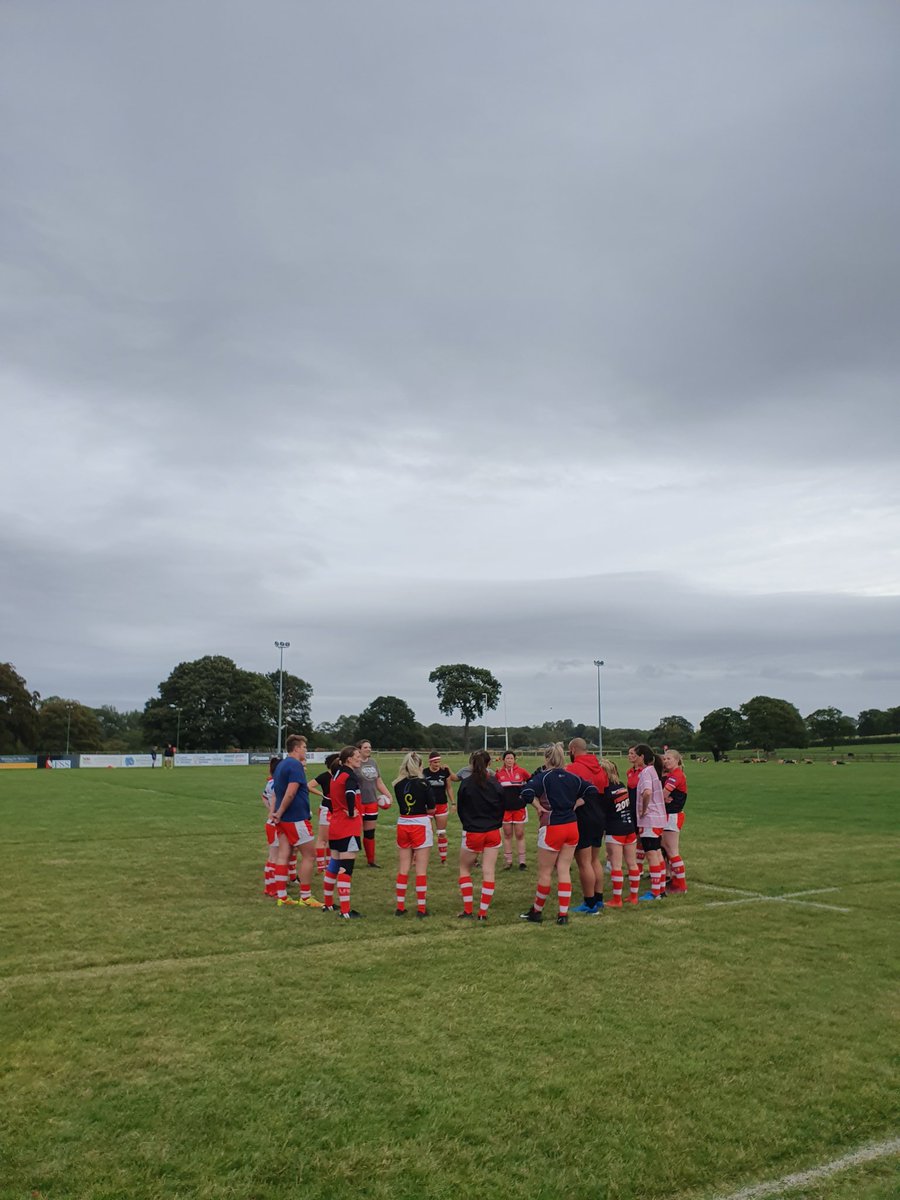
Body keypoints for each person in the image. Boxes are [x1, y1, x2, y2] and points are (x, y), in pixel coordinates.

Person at [519, 743, 600, 925]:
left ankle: (536, 911)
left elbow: (525, 792)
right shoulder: (573, 777)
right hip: (572, 826)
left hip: (552, 826)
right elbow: (591, 790)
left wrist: (538, 806)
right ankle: (563, 915)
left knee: (545, 872)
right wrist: (577, 803)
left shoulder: (544, 777)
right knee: (564, 870)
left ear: (547, 759)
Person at [268, 735, 323, 909]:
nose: (306, 750)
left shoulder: (281, 765)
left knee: (283, 855)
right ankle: (306, 897)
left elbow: (278, 791)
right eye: (305, 747)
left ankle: (282, 896)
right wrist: (281, 811)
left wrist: (277, 813)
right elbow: (290, 793)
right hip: (296, 818)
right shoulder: (295, 765)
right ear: (297, 748)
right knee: (309, 855)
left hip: (284, 820)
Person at [455, 749, 506, 921]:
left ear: (471, 764)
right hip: (492, 832)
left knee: (464, 869)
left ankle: (468, 910)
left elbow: (461, 809)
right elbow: (502, 806)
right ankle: (483, 913)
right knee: (489, 871)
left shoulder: (466, 784)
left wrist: (468, 824)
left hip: (473, 832)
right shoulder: (495, 783)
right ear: (489, 764)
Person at [566, 738, 609, 914]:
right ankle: (598, 899)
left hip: (583, 817)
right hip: (599, 817)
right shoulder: (600, 768)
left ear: (573, 749)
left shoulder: (573, 769)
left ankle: (589, 903)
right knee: (594, 859)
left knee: (583, 862)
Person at [393, 752, 436, 917]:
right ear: (419, 765)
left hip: (403, 823)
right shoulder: (424, 783)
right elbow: (432, 807)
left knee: (403, 867)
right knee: (421, 869)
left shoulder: (397, 784)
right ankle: (421, 908)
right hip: (420, 824)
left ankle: (400, 906)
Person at [325, 745, 366, 918]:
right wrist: (351, 811)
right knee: (345, 868)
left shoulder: (336, 775)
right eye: (357, 755)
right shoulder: (350, 775)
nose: (360, 758)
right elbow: (350, 793)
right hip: (347, 827)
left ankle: (328, 904)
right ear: (349, 759)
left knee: (334, 864)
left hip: (335, 825)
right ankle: (345, 911)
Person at [597, 758, 640, 906]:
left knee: (616, 866)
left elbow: (602, 812)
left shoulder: (605, 790)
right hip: (629, 828)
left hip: (615, 830)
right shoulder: (621, 785)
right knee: (632, 864)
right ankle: (634, 897)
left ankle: (617, 899)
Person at [633, 743, 667, 901]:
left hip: (650, 819)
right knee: (658, 853)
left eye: (636, 755)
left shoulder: (646, 771)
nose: (634, 759)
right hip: (659, 819)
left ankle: (655, 892)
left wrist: (644, 809)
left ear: (642, 757)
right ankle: (661, 889)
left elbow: (647, 792)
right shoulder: (654, 770)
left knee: (651, 854)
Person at [356, 740, 392, 868]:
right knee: (354, 832)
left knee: (369, 832)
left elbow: (379, 782)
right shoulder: (355, 763)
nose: (368, 749)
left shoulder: (373, 763)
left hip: (372, 802)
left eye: (370, 747)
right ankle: (347, 859)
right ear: (359, 749)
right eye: (365, 747)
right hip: (358, 803)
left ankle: (371, 861)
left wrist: (388, 795)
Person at [495, 750, 531, 871]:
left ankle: (522, 862)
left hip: (519, 809)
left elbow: (531, 783)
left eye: (511, 758)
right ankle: (508, 861)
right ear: (503, 760)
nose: (509, 760)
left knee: (520, 834)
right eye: (507, 758)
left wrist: (524, 797)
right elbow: (496, 790)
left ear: (515, 760)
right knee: (507, 834)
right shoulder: (499, 773)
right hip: (505, 810)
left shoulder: (521, 772)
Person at [423, 751, 458, 865]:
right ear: (430, 762)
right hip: (428, 806)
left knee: (441, 832)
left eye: (438, 762)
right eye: (435, 762)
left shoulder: (444, 772)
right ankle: (418, 857)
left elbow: (449, 788)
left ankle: (443, 859)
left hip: (442, 805)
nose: (437, 764)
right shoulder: (424, 772)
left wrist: (453, 803)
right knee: (425, 832)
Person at [661, 749, 688, 893]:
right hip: (669, 814)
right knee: (667, 848)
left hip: (673, 815)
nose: (665, 761)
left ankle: (680, 885)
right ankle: (675, 881)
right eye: (664, 759)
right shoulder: (672, 775)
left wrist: (661, 796)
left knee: (672, 850)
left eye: (669, 759)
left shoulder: (676, 775)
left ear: (677, 760)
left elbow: (663, 794)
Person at [308, 753, 339, 874]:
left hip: (337, 810)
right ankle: (321, 866)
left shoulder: (341, 776)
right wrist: (321, 794)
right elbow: (309, 786)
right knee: (322, 839)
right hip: (327, 809)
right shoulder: (325, 776)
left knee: (333, 839)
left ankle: (330, 864)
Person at [262, 754, 281, 896]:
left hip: (269, 823)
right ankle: (273, 888)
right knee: (275, 857)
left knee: (271, 856)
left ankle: (268, 887)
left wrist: (269, 809)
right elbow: (275, 799)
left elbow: (263, 796)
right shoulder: (278, 784)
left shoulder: (270, 783)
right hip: (275, 823)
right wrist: (274, 811)